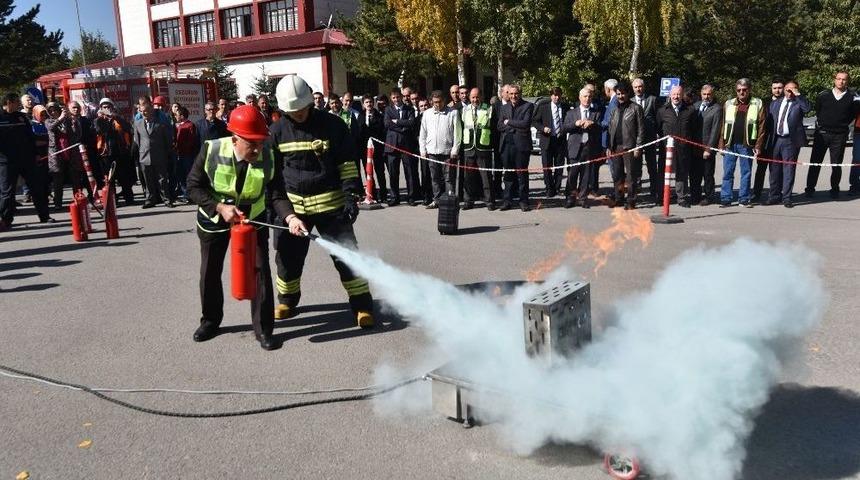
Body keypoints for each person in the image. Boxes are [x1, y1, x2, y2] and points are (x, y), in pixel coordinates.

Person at [270, 74, 374, 327]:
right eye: (292, 111)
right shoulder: (277, 132)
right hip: (295, 210)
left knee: (347, 257)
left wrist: (351, 197)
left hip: (332, 207)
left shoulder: (334, 125)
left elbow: (348, 165)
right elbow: (273, 180)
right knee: (287, 258)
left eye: (302, 109)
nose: (298, 115)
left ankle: (361, 306)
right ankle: (287, 300)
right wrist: (285, 214)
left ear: (311, 102)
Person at [186, 105, 287, 350]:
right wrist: (219, 207)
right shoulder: (211, 149)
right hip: (214, 220)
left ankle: (263, 329)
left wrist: (290, 217)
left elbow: (276, 194)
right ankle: (210, 321)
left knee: (260, 271)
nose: (257, 149)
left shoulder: (269, 155)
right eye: (251, 143)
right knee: (210, 271)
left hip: (253, 219)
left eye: (261, 142)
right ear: (234, 139)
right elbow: (192, 186)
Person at [0, 93, 49, 229]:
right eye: (16, 102)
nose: (19, 105)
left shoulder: (21, 117)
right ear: (8, 102)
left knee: (37, 187)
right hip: (6, 162)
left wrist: (36, 154)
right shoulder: (0, 117)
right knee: (7, 192)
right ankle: (5, 219)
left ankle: (44, 216)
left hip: (26, 159)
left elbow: (31, 137)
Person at [806, 71, 858, 199]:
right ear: (834, 80)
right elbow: (818, 110)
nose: (841, 81)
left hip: (839, 135)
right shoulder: (824, 95)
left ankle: (834, 189)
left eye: (844, 79)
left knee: (836, 165)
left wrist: (842, 125)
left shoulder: (852, 97)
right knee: (815, 163)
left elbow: (853, 114)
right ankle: (810, 189)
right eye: (839, 79)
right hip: (822, 134)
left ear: (848, 81)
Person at [718, 78, 766, 208]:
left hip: (747, 145)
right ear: (736, 91)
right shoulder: (729, 103)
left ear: (749, 90)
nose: (741, 92)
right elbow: (723, 124)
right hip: (730, 144)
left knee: (746, 173)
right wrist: (721, 144)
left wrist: (758, 145)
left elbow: (762, 126)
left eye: (744, 90)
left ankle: (744, 199)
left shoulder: (757, 103)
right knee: (727, 173)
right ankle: (726, 198)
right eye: (739, 90)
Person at [765, 80, 810, 208]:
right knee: (774, 169)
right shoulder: (775, 103)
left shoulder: (799, 103)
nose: (789, 92)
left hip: (790, 141)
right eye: (787, 89)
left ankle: (787, 197)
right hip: (776, 139)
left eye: (793, 89)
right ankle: (774, 196)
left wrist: (798, 95)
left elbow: (807, 108)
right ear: (784, 90)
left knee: (788, 169)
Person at [418, 90, 462, 209]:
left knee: (449, 179)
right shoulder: (427, 114)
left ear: (444, 100)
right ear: (431, 101)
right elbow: (423, 133)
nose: (437, 104)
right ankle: (436, 200)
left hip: (448, 153)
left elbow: (458, 134)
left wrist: (455, 150)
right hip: (432, 152)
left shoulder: (453, 113)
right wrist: (423, 149)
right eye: (435, 102)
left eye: (439, 102)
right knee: (435, 178)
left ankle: (450, 201)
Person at [560, 87, 602, 209]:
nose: (587, 99)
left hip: (589, 148)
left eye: (589, 96)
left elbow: (601, 129)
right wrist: (575, 124)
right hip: (575, 148)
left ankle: (583, 198)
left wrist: (593, 124)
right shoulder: (571, 113)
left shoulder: (596, 113)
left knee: (586, 175)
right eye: (585, 96)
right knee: (572, 175)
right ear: (580, 98)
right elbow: (564, 128)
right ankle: (570, 198)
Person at [606, 81, 646, 209]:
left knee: (630, 176)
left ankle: (631, 200)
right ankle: (619, 198)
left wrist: (638, 146)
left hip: (630, 146)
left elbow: (641, 129)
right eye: (618, 94)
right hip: (616, 146)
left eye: (623, 93)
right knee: (617, 175)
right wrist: (608, 146)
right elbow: (610, 128)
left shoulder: (636, 108)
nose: (620, 96)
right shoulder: (614, 109)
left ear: (628, 93)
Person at [656, 85, 696, 207]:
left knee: (682, 173)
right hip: (666, 148)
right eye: (674, 94)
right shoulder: (662, 111)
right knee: (663, 173)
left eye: (678, 94)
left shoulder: (690, 110)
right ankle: (661, 196)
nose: (676, 96)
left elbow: (694, 128)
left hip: (683, 148)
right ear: (670, 95)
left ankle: (682, 198)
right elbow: (658, 128)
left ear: (682, 95)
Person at [497, 84, 534, 211]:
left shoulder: (528, 106)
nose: (513, 96)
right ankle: (507, 201)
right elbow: (499, 126)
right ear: (508, 94)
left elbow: (525, 124)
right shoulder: (504, 107)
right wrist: (512, 126)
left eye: (516, 93)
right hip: (506, 145)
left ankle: (524, 201)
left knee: (522, 174)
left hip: (522, 146)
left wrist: (509, 122)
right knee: (508, 174)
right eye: (511, 94)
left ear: (520, 93)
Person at [94, 97, 136, 205]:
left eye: (109, 107)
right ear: (101, 108)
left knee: (124, 178)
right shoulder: (98, 120)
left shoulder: (118, 119)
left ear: (112, 108)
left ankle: (129, 198)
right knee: (110, 180)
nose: (107, 109)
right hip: (106, 154)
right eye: (104, 107)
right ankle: (113, 200)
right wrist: (103, 118)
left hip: (120, 153)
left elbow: (128, 128)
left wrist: (116, 117)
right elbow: (100, 130)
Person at [133, 99, 174, 208]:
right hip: (144, 156)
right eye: (141, 112)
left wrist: (167, 153)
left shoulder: (160, 123)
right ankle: (150, 199)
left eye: (146, 111)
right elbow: (137, 140)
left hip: (159, 155)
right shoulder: (137, 123)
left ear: (151, 110)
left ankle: (166, 199)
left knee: (162, 179)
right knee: (148, 180)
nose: (144, 114)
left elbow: (167, 140)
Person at [383, 89, 419, 206]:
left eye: (398, 97)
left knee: (409, 172)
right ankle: (394, 197)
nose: (396, 100)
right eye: (393, 98)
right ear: (391, 99)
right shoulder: (388, 109)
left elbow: (412, 123)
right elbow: (387, 124)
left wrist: (397, 121)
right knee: (393, 173)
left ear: (401, 97)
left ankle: (411, 197)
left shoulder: (409, 109)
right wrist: (402, 127)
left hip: (406, 145)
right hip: (392, 145)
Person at [47, 101, 86, 210]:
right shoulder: (49, 121)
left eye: (55, 110)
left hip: (70, 152)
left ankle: (78, 199)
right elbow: (51, 128)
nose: (53, 112)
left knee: (76, 178)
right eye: (50, 111)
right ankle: (58, 203)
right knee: (58, 180)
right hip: (57, 154)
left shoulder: (68, 120)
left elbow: (77, 134)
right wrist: (60, 118)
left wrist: (75, 123)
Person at [461, 87, 495, 210]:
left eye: (477, 97)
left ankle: (489, 201)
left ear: (481, 97)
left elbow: (493, 128)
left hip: (483, 147)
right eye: (473, 97)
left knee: (486, 176)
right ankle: (468, 201)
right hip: (469, 147)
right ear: (469, 98)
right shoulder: (464, 110)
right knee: (468, 177)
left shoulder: (488, 108)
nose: (475, 99)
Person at [751, 79, 785, 203]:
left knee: (775, 170)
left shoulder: (786, 102)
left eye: (780, 87)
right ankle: (756, 194)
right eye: (775, 88)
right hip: (764, 140)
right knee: (760, 169)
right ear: (771, 89)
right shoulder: (763, 102)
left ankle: (775, 195)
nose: (777, 90)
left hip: (778, 140)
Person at [532, 87, 568, 197]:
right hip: (547, 140)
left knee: (559, 166)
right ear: (551, 96)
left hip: (560, 140)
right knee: (547, 166)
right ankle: (549, 188)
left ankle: (557, 187)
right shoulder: (543, 107)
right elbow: (535, 121)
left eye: (558, 95)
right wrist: (543, 128)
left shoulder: (565, 107)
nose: (557, 97)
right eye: (554, 95)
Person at [691, 84, 722, 205]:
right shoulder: (695, 106)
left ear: (712, 95)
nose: (706, 96)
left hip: (707, 147)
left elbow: (715, 130)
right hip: (694, 146)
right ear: (701, 94)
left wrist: (708, 149)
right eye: (704, 94)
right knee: (695, 174)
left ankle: (709, 197)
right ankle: (695, 196)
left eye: (709, 94)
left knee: (707, 174)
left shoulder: (717, 109)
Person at [631, 78, 660, 202]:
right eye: (636, 87)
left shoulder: (652, 99)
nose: (638, 89)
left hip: (650, 137)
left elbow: (657, 117)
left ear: (644, 87)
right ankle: (637, 191)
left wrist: (658, 133)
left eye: (640, 86)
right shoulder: (630, 101)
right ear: (633, 88)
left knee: (652, 166)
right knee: (636, 167)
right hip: (635, 138)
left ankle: (655, 191)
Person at [357, 94, 386, 202]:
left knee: (380, 172)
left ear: (373, 103)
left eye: (370, 102)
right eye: (367, 102)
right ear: (363, 104)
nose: (369, 104)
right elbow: (359, 132)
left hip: (377, 149)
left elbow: (382, 132)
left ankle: (383, 195)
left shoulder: (379, 116)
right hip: (365, 149)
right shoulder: (360, 116)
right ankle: (372, 194)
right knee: (368, 172)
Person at [174, 106, 199, 202]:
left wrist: (185, 148)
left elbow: (192, 140)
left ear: (182, 115)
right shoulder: (179, 126)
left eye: (177, 115)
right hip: (179, 154)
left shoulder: (190, 125)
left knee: (188, 175)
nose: (175, 116)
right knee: (180, 175)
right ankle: (185, 194)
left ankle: (190, 195)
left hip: (187, 155)